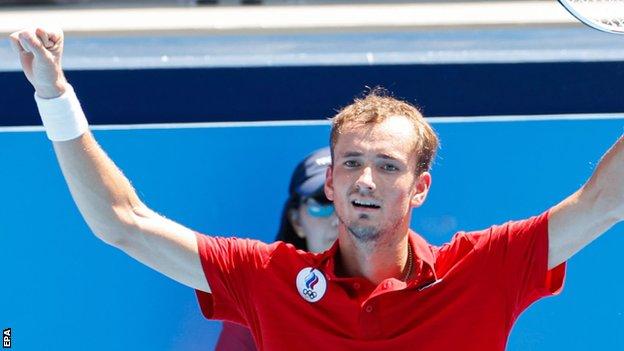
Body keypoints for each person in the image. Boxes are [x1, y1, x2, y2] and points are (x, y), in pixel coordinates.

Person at [9, 27, 624, 350]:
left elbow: (605, 199)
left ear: (420, 188)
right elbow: (122, 221)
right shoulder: (267, 278)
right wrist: (55, 98)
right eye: (350, 163)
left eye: (387, 166)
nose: (364, 180)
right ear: (329, 181)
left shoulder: (486, 268)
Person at [216, 147, 337, 350]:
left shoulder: (400, 292)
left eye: (346, 202)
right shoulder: (258, 298)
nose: (337, 219)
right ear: (296, 220)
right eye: (322, 202)